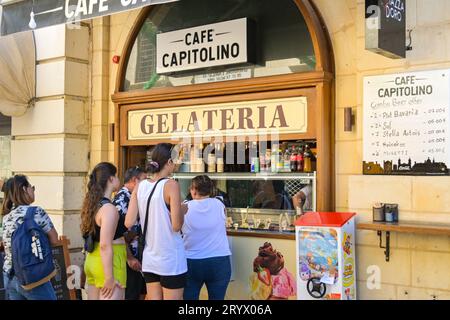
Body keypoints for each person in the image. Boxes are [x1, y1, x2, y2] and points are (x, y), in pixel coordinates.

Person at [125, 143, 186, 300]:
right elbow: (176, 225)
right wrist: (182, 210)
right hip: (171, 258)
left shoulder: (141, 185)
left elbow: (129, 221)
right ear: (169, 162)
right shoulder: (171, 185)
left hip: (150, 259)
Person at [2, 175, 59, 300]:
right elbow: (55, 240)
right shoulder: (36, 212)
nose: (33, 190)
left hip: (9, 276)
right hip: (32, 276)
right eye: (31, 187)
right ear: (24, 189)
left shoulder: (6, 218)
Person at [181, 175, 232, 300]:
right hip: (219, 261)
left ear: (193, 190)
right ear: (211, 190)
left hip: (191, 261)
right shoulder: (220, 204)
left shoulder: (184, 206)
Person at [81, 162, 127, 300]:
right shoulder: (108, 209)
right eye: (117, 176)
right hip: (108, 264)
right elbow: (105, 245)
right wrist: (109, 278)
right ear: (111, 179)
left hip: (92, 261)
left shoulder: (92, 205)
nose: (119, 179)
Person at [113, 166, 147, 300]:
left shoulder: (134, 197)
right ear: (134, 180)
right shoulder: (122, 200)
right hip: (129, 260)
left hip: (138, 258)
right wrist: (130, 258)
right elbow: (117, 234)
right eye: (144, 180)